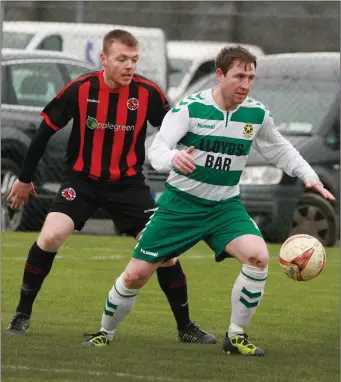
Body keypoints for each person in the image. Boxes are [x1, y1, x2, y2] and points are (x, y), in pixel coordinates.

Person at [83, 45, 335, 354]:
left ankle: (236, 335)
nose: (245, 84)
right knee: (136, 274)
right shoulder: (191, 108)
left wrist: (309, 176)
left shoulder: (256, 114)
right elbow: (157, 147)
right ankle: (104, 332)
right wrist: (173, 159)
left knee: (258, 257)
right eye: (239, 76)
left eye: (251, 77)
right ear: (219, 75)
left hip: (224, 208)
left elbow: (279, 149)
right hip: (181, 205)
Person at [6, 29, 216, 345]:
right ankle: (22, 314)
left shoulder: (148, 93)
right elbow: (43, 133)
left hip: (128, 185)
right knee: (50, 236)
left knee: (163, 253)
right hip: (82, 182)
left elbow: (176, 132)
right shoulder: (80, 89)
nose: (129, 65)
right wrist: (23, 179)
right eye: (122, 59)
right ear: (104, 60)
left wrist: (196, 154)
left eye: (134, 59)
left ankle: (186, 326)